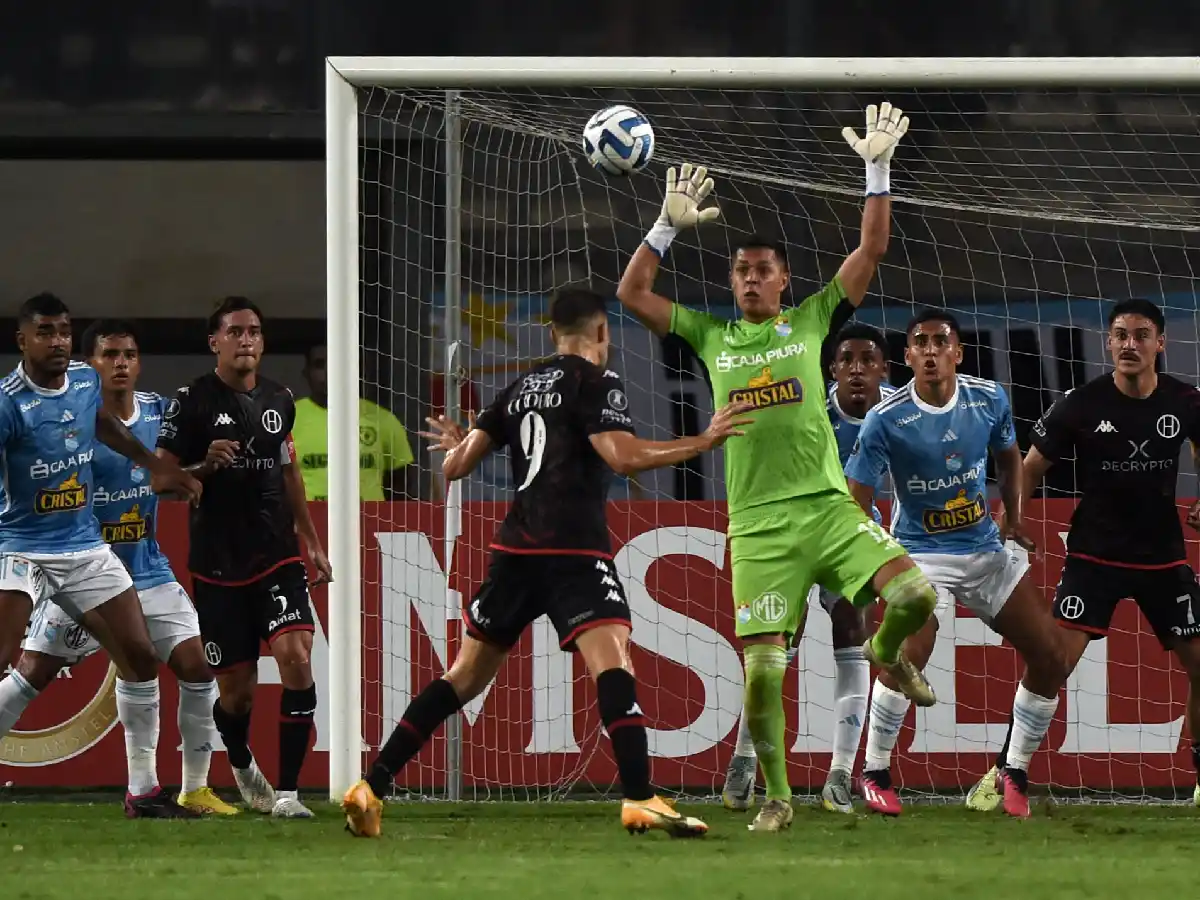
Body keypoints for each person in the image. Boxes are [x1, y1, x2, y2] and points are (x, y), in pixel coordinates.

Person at [614, 102, 940, 833]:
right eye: (741, 272)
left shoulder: (815, 319)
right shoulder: (709, 332)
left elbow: (873, 248)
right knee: (763, 671)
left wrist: (877, 169)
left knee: (917, 597)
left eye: (763, 271)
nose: (752, 280)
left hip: (827, 506)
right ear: (732, 284)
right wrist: (666, 225)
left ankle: (889, 653)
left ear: (785, 281)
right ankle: (778, 796)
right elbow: (631, 295)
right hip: (758, 525)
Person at [341, 286, 751, 838]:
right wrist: (701, 440)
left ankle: (372, 785)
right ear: (601, 333)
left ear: (553, 333)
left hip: (514, 551)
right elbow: (623, 457)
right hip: (573, 550)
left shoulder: (518, 387)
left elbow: (455, 468)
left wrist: (463, 441)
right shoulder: (596, 381)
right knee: (615, 665)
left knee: (462, 677)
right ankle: (640, 796)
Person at [964, 298, 1200, 812]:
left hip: (1163, 558)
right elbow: (1029, 466)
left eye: (1141, 335)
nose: (1129, 345)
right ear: (1109, 343)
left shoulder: (1186, 400)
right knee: (1053, 662)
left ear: (1161, 343)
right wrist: (1010, 520)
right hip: (1094, 556)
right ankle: (1009, 772)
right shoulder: (1081, 404)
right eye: (1120, 335)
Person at [0, 319, 237, 817]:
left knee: (194, 667)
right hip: (78, 566)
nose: (121, 364)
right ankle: (147, 791)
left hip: (145, 571)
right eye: (109, 355)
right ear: (90, 366)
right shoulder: (68, 422)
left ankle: (187, 788)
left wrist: (199, 468)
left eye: (129, 354)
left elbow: (164, 478)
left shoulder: (158, 414)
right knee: (30, 674)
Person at [845, 309, 1069, 817]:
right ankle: (874, 770)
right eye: (919, 343)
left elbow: (1010, 457)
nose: (928, 350)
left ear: (956, 352)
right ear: (906, 357)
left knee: (1051, 657)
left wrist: (1014, 515)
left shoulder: (988, 399)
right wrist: (868, 563)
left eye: (938, 341)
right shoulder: (887, 418)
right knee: (909, 656)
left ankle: (1013, 772)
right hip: (920, 553)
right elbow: (856, 501)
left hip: (985, 550)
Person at [156, 296, 333, 819]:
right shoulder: (189, 402)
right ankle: (237, 755)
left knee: (297, 658)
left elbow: (288, 473)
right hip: (216, 567)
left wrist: (313, 541)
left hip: (276, 557)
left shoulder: (280, 399)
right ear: (215, 341)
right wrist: (202, 465)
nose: (246, 340)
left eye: (254, 331)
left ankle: (289, 795)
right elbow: (162, 479)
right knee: (237, 697)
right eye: (235, 332)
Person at [722, 323, 896, 813]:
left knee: (853, 634)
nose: (857, 369)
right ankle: (745, 758)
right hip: (788, 535)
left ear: (884, 368)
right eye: (847, 360)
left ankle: (841, 772)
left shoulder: (897, 413)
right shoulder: (806, 403)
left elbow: (909, 478)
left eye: (868, 359)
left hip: (851, 536)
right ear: (832, 369)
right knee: (776, 643)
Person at [291, 343, 414, 501]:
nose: (330, 372)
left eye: (337, 362)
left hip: (371, 522)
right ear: (306, 373)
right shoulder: (289, 418)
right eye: (320, 365)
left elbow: (401, 482)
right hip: (309, 522)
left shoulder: (381, 419)